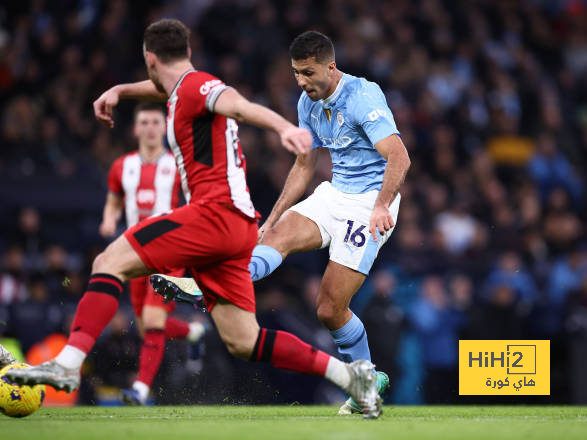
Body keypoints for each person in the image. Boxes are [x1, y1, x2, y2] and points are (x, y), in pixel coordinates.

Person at [7, 19, 381, 419]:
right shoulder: (182, 88)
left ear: (149, 57)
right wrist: (120, 90)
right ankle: (350, 375)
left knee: (107, 262)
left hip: (213, 215)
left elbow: (235, 102)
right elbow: (166, 89)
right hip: (237, 228)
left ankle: (68, 362)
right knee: (244, 340)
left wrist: (283, 127)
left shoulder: (196, 87)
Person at [151, 30, 410, 414]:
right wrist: (271, 218)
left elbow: (399, 157)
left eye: (308, 73)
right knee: (276, 236)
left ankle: (364, 381)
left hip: (369, 204)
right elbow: (305, 163)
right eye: (296, 74)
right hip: (334, 193)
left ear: (331, 67)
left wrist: (381, 205)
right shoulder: (308, 102)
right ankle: (206, 286)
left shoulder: (363, 96)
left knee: (328, 308)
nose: (302, 82)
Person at [99, 102, 205, 405]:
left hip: (170, 251)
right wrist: (109, 218)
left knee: (153, 320)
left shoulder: (177, 165)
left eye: (155, 122)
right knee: (147, 326)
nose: (149, 128)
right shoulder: (122, 166)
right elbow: (114, 199)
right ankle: (192, 332)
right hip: (134, 255)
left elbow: (197, 199)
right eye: (143, 122)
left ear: (164, 127)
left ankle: (140, 389)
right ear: (135, 129)